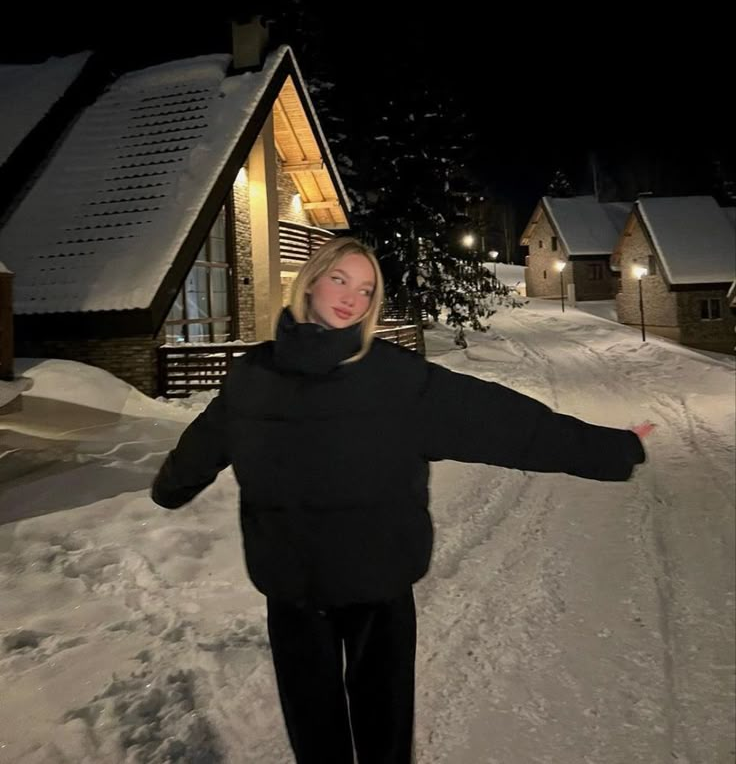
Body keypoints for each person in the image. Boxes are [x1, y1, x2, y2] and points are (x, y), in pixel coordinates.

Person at [151, 236, 654, 764]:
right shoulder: (253, 376)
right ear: (312, 280)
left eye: (366, 290)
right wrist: (171, 486)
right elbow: (207, 441)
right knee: (313, 728)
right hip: (293, 589)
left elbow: (500, 423)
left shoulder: (394, 378)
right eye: (341, 279)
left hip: (377, 584)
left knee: (382, 729)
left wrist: (607, 448)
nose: (351, 297)